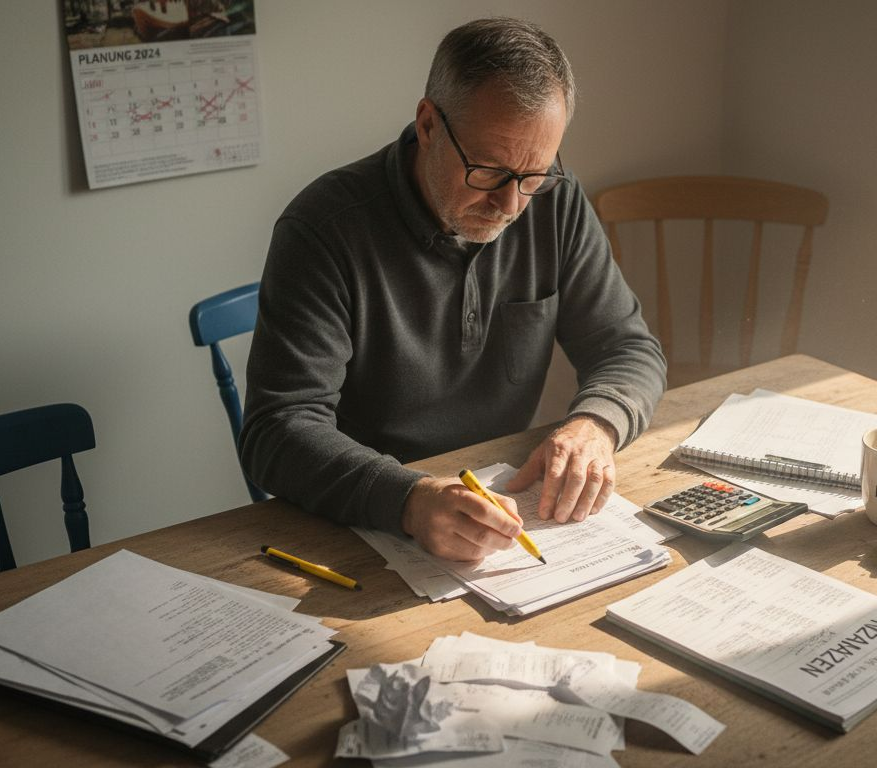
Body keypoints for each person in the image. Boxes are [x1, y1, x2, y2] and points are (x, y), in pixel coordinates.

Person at [240, 17, 666, 563]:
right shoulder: (325, 228)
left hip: (502, 504)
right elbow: (277, 430)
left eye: (533, 175)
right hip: (364, 525)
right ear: (427, 124)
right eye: (488, 171)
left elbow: (626, 347)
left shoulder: (554, 202)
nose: (511, 206)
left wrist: (597, 424)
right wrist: (409, 500)